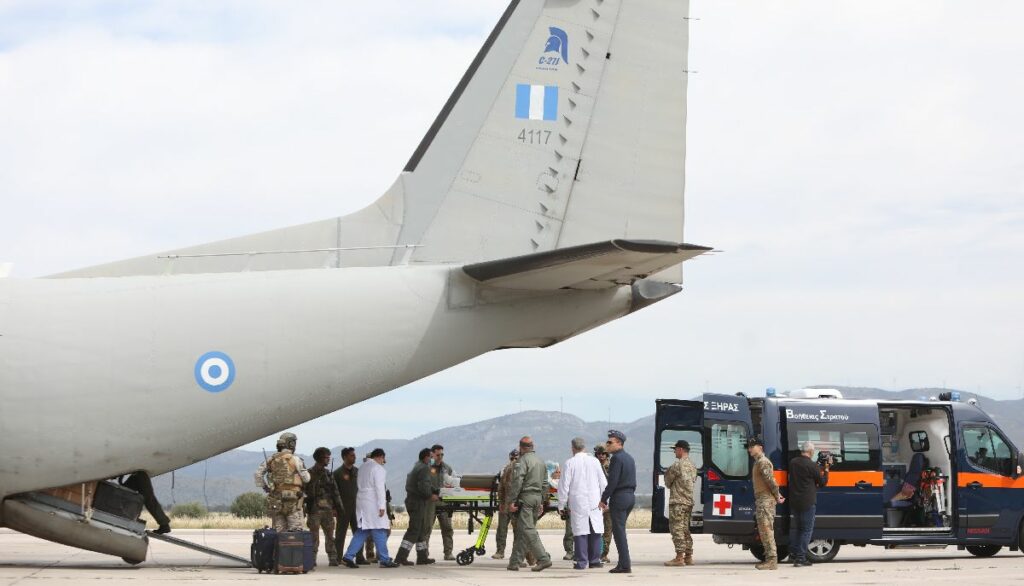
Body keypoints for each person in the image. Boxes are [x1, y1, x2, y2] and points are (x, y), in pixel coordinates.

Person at [340, 449, 399, 568]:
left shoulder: (362, 467)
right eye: (383, 459)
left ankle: (348, 556)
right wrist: (382, 506)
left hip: (362, 501)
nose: (383, 462)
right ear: (381, 457)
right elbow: (379, 488)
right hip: (373, 503)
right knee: (380, 529)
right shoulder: (378, 469)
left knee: (362, 530)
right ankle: (384, 559)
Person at [558, 437, 608, 570]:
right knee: (595, 529)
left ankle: (581, 562)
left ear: (573, 448)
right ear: (584, 447)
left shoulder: (569, 463)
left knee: (580, 531)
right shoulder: (595, 461)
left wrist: (561, 505)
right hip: (595, 501)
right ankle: (595, 560)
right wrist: (605, 500)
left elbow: (564, 486)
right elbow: (603, 483)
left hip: (578, 502)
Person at [505, 436, 552, 572]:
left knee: (528, 530)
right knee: (522, 531)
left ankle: (543, 559)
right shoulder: (541, 462)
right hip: (537, 498)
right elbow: (545, 484)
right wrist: (542, 501)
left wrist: (512, 500)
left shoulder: (522, 461)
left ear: (521, 447)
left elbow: (517, 481)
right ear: (532, 446)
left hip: (525, 498)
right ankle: (514, 562)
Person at [254, 432, 311, 532]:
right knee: (295, 533)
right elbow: (307, 479)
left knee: (279, 532)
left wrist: (265, 487)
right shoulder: (296, 459)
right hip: (293, 501)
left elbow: (258, 475)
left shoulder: (271, 460)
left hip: (276, 500)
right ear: (291, 444)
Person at [395, 448, 440, 566]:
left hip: (413, 500)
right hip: (417, 502)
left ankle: (422, 557)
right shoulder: (424, 468)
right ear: (426, 457)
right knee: (414, 530)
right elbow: (424, 486)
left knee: (420, 530)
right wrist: (431, 496)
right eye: (431, 457)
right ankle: (401, 557)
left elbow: (425, 484)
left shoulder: (418, 466)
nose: (433, 459)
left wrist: (436, 490)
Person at [788, 441, 829, 567]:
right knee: (806, 530)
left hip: (794, 501)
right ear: (811, 452)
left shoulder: (793, 462)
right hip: (807, 501)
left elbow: (805, 473)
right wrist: (826, 470)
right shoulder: (812, 466)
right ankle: (800, 558)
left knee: (798, 529)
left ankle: (793, 555)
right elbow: (822, 482)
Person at [600, 429, 635, 574]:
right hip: (629, 496)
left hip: (620, 497)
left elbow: (613, 481)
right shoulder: (629, 458)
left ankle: (625, 565)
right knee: (620, 530)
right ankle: (623, 562)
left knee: (618, 531)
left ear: (619, 443)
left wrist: (603, 499)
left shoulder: (616, 459)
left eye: (610, 442)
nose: (607, 445)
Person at [748, 437, 784, 571]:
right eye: (749, 447)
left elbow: (771, 481)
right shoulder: (758, 463)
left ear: (760, 448)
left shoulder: (763, 462)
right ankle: (769, 559)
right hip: (761, 500)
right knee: (764, 531)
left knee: (767, 530)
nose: (750, 449)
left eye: (753, 446)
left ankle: (772, 560)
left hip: (765, 500)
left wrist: (777, 495)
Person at [306, 447, 343, 566]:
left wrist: (339, 508)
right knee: (313, 537)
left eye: (329, 457)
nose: (328, 459)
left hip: (327, 510)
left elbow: (335, 492)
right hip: (314, 509)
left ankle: (333, 558)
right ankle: (311, 559)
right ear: (319, 458)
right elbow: (304, 491)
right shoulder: (309, 474)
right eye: (326, 457)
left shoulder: (328, 474)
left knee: (330, 536)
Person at [663, 439, 697, 567]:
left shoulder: (677, 465)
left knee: (676, 529)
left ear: (681, 450)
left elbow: (667, 482)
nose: (674, 452)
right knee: (685, 529)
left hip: (677, 502)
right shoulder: (693, 466)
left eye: (675, 449)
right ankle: (688, 556)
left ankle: (679, 557)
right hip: (688, 502)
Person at [333, 447, 367, 565]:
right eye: (352, 455)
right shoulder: (337, 473)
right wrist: (334, 508)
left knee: (359, 532)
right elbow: (333, 492)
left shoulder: (358, 472)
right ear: (345, 457)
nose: (354, 457)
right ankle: (337, 557)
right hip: (343, 508)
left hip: (357, 508)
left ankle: (359, 557)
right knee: (340, 533)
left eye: (354, 455)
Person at [491, 449, 519, 560]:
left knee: (518, 531)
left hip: (517, 505)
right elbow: (501, 487)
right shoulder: (505, 469)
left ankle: (516, 554)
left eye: (516, 458)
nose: (514, 460)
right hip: (506, 503)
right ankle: (500, 551)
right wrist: (501, 502)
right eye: (512, 458)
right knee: (502, 529)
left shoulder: (523, 469)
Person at [430, 444, 456, 561]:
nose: (440, 457)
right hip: (430, 504)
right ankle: (423, 553)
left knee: (447, 529)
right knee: (426, 530)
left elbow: (453, 483)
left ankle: (448, 553)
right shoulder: (427, 467)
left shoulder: (447, 468)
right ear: (432, 454)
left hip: (444, 504)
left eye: (442, 454)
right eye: (438, 454)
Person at [594, 444, 613, 563]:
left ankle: (604, 553)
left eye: (603, 454)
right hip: (595, 501)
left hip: (608, 500)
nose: (601, 456)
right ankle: (595, 552)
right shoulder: (593, 465)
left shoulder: (611, 466)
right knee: (595, 528)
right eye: (599, 454)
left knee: (607, 529)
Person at [551, 465, 574, 561]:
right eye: (556, 472)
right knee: (569, 531)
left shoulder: (566, 481)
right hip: (569, 507)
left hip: (576, 505)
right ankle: (569, 551)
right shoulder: (551, 482)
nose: (559, 474)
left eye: (560, 472)